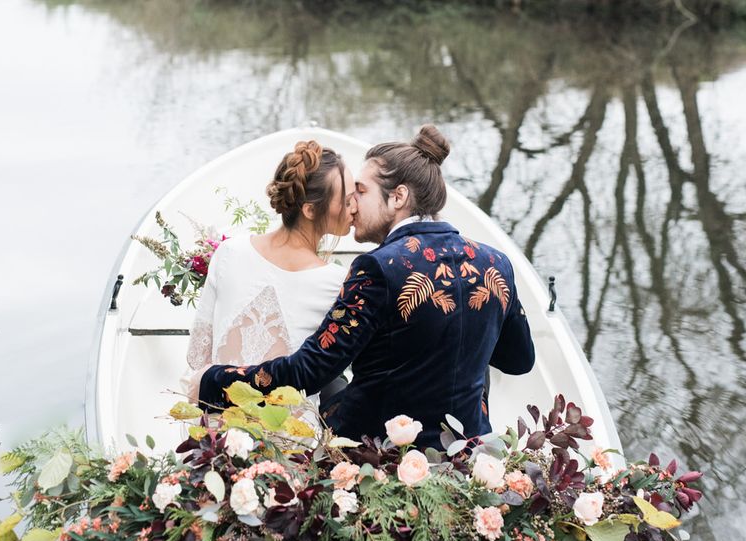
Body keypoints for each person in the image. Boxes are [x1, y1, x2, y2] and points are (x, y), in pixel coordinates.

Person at [198, 125, 535, 449]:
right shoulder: (496, 263)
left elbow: (309, 371)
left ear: (398, 196)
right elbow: (520, 360)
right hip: (468, 448)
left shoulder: (378, 268)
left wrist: (214, 382)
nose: (353, 204)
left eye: (361, 190)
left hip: (384, 452)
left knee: (332, 387)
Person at [183, 140, 356, 406]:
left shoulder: (230, 251)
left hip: (216, 432)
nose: (354, 206)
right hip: (290, 442)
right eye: (346, 200)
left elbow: (198, 356)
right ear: (310, 210)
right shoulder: (335, 282)